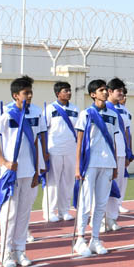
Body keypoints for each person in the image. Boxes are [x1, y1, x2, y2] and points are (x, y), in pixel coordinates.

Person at [0, 76, 46, 267]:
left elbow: (35, 142)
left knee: (24, 214)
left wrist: (37, 171)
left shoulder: (36, 113)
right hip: (11, 172)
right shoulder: (6, 113)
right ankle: (5, 252)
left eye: (30, 92)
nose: (29, 96)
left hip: (29, 171)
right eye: (25, 93)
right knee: (9, 214)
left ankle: (20, 250)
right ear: (15, 95)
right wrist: (3, 161)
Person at [72, 79, 120, 257]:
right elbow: (79, 142)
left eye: (106, 90)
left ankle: (95, 239)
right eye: (101, 90)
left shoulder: (113, 115)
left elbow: (113, 141)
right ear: (93, 94)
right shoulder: (86, 114)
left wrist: (114, 164)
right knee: (85, 203)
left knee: (101, 203)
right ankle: (80, 239)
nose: (106, 92)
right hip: (89, 163)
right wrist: (78, 167)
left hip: (107, 163)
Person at [43, 81, 79, 223]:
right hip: (54, 150)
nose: (69, 93)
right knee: (53, 181)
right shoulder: (49, 109)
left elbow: (78, 130)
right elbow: (44, 130)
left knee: (68, 181)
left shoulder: (76, 109)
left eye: (70, 90)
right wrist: (44, 150)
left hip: (71, 149)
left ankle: (64, 210)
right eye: (66, 90)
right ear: (58, 93)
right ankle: (49, 211)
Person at [103, 78, 133, 231]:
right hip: (106, 155)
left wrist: (128, 153)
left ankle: (112, 218)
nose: (121, 94)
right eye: (118, 91)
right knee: (104, 187)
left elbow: (127, 133)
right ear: (109, 92)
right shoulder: (102, 109)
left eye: (122, 90)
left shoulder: (123, 111)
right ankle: (101, 219)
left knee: (118, 187)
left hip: (120, 153)